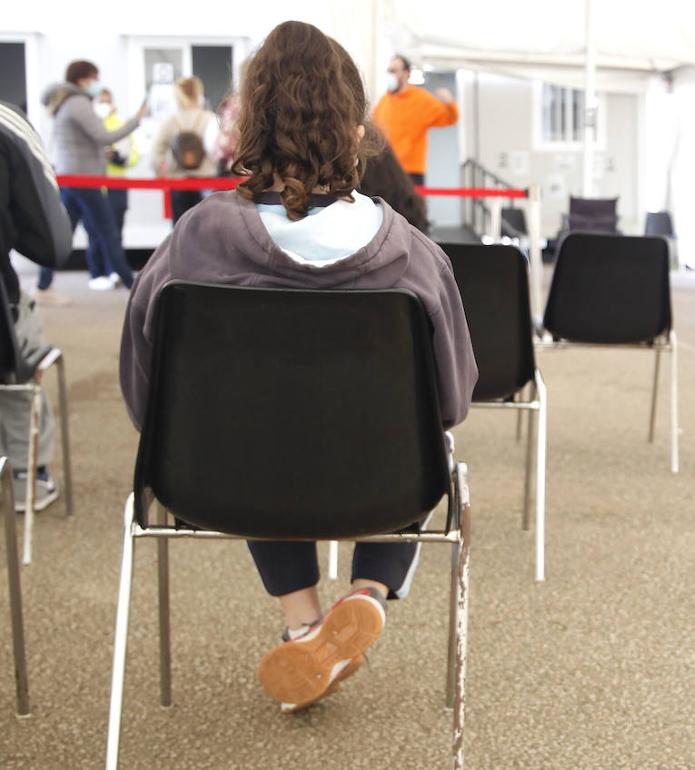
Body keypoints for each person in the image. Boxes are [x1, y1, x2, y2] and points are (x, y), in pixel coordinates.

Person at [119, 20, 477, 713]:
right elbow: (452, 400)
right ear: (355, 129)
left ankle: (304, 622)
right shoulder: (410, 252)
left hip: (227, 479)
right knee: (421, 441)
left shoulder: (194, 240)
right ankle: (368, 592)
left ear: (249, 124)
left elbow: (145, 393)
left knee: (254, 421)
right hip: (381, 482)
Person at [0, 100, 72, 510]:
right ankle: (29, 475)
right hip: (3, 318)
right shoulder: (7, 123)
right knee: (19, 351)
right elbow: (53, 244)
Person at [40, 60, 142, 293]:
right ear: (83, 78)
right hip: (85, 180)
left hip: (71, 178)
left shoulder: (65, 102)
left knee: (64, 232)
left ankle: (43, 284)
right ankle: (133, 286)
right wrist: (135, 121)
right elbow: (103, 136)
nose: (97, 83)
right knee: (108, 232)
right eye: (95, 78)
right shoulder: (78, 103)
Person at [372, 55, 458, 186]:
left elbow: (450, 118)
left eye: (394, 71)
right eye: (389, 71)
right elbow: (374, 131)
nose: (390, 74)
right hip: (385, 171)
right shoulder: (384, 101)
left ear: (406, 73)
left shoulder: (421, 99)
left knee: (411, 206)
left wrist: (450, 103)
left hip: (411, 172)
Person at [151, 76, 220, 223]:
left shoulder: (171, 120)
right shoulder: (210, 118)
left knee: (180, 228)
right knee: (206, 227)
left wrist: (160, 171)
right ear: (198, 93)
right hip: (206, 179)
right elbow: (218, 150)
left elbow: (157, 150)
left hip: (178, 180)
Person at [97, 89, 139, 245]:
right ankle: (96, 269)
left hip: (117, 183)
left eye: (107, 101)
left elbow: (134, 154)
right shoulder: (90, 124)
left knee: (116, 230)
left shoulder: (120, 124)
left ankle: (113, 268)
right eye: (101, 101)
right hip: (95, 184)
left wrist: (118, 157)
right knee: (96, 231)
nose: (104, 105)